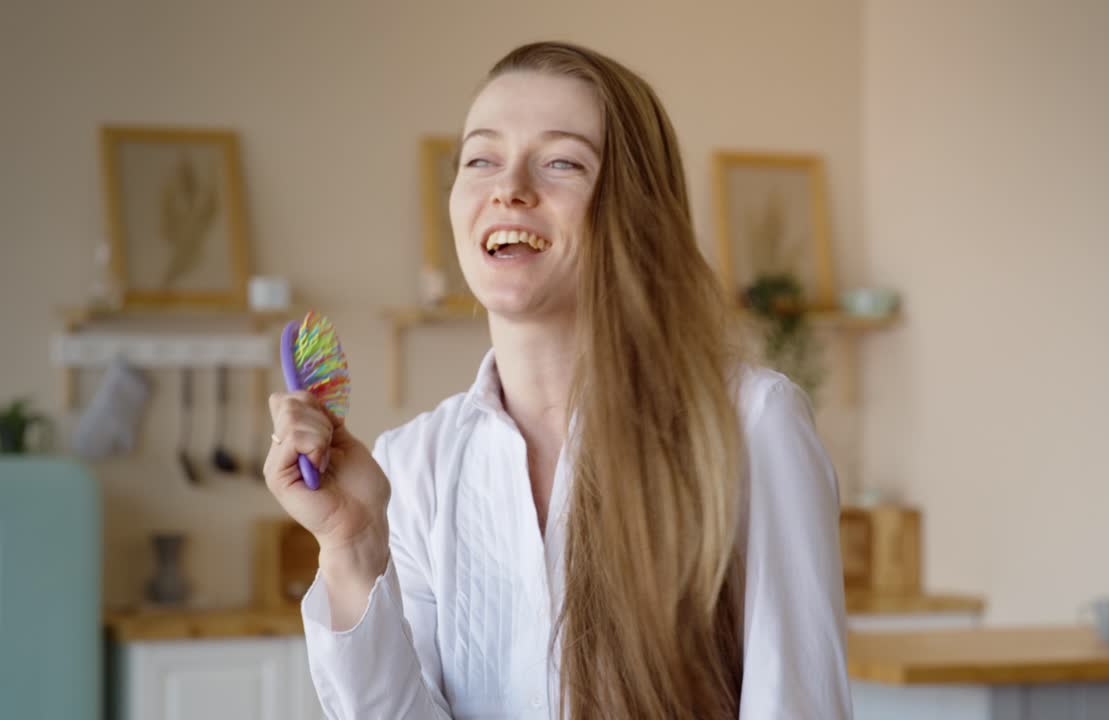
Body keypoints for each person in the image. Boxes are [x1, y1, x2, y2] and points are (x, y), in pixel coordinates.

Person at [264, 41, 853, 720]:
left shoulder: (750, 425)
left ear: (637, 211)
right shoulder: (414, 465)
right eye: (481, 158)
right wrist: (352, 548)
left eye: (561, 162)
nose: (508, 187)